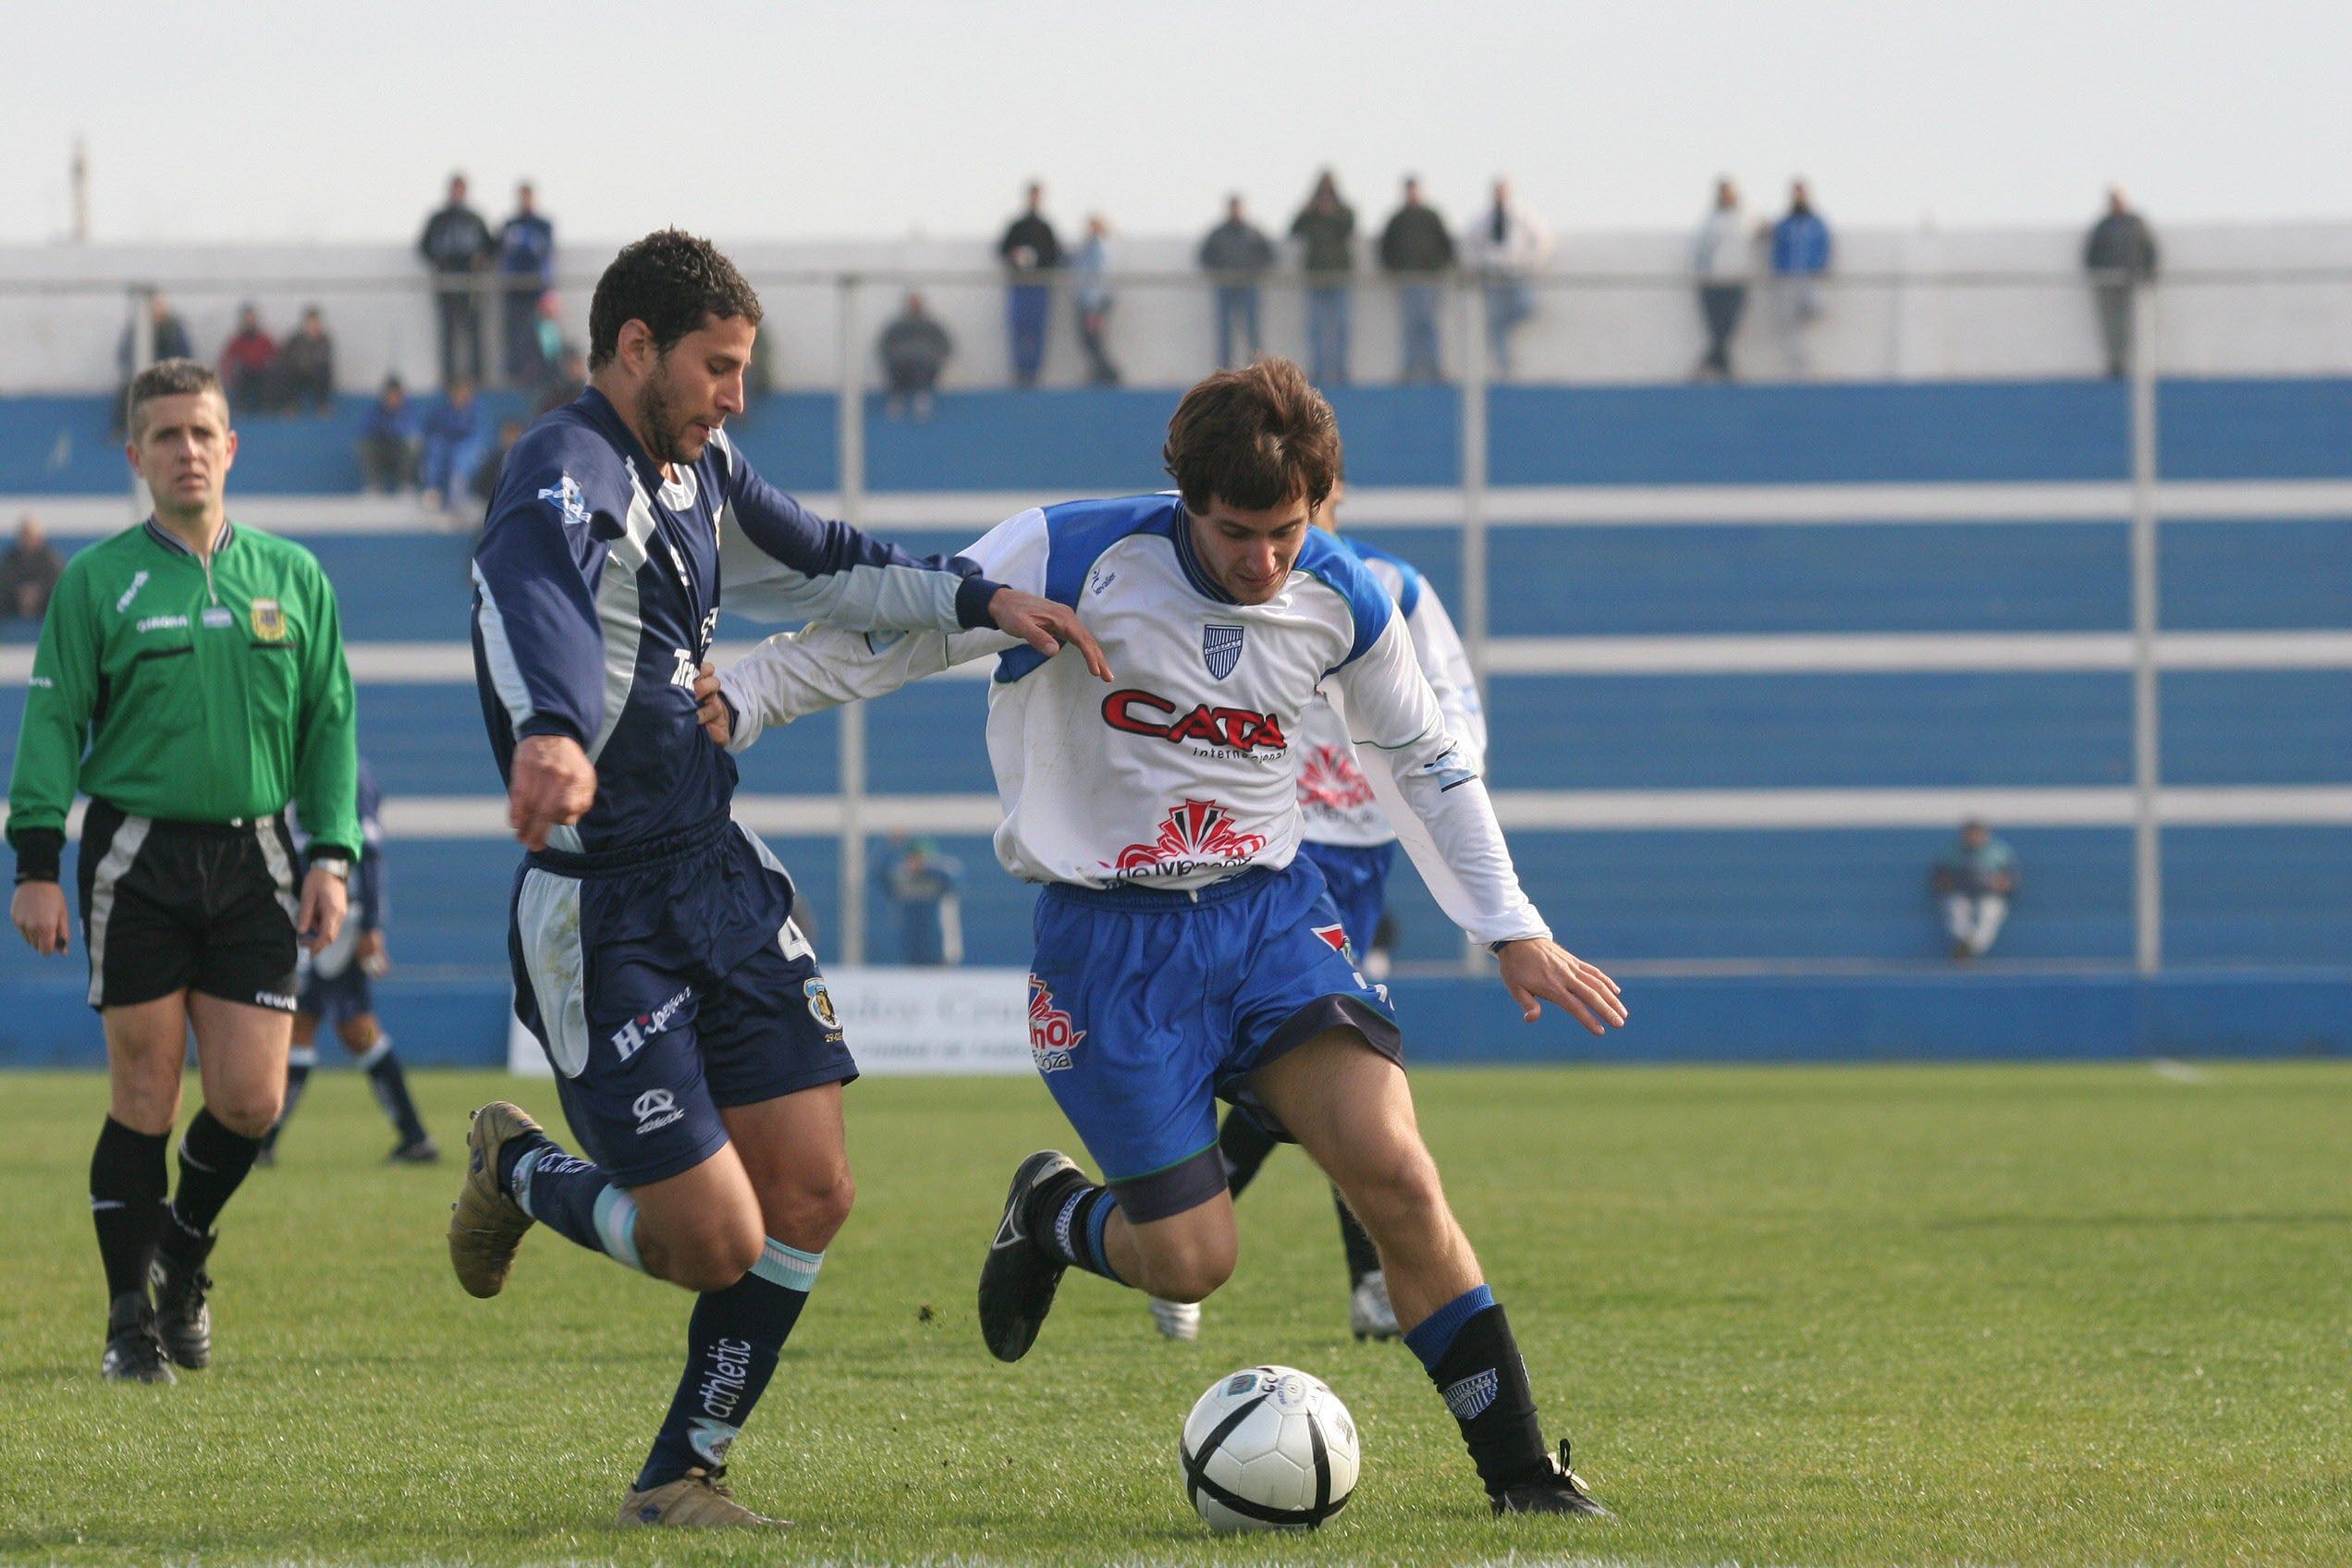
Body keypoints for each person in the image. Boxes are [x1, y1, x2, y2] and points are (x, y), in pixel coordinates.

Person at [703, 358, 1625, 1518]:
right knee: (1194, 1260)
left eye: (1286, 531)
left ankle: (1523, 1475)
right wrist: (748, 696)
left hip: (1268, 919)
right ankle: (1051, 1213)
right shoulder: (1072, 556)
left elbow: (1427, 760)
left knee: (1395, 1170)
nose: (1263, 561)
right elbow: (901, 627)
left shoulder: (1342, 595)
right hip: (1108, 949)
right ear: (1185, 497)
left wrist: (1511, 929)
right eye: (1238, 532)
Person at [446, 228, 1104, 1530]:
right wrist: (553, 735)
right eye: (718, 366)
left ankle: (681, 1476)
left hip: (716, 872)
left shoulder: (701, 471)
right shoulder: (564, 471)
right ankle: (520, 1174)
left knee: (811, 1192)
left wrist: (983, 606)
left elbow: (830, 560)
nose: (735, 393)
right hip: (600, 904)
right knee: (713, 1242)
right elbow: (538, 603)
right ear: (635, 348)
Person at [6, 358, 358, 1385]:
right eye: (166, 436)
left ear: (231, 447)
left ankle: (185, 1258)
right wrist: (36, 860)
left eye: (203, 432)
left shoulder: (294, 579)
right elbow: (52, 722)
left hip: (255, 853)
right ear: (136, 456)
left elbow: (330, 727)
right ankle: (128, 1324)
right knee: (146, 1092)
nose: (187, 451)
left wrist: (332, 854)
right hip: (137, 853)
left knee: (253, 1100)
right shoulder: (95, 581)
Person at [1145, 471, 1488, 1345]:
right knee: (1335, 1055)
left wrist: (1443, 801)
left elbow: (1455, 709)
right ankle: (1341, 1276)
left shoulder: (1390, 587)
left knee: (1323, 1070)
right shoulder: (1225, 580)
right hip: (1280, 841)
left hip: (1366, 845)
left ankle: (1188, 1232)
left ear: (1328, 495)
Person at [259, 759, 435, 1166]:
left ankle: (264, 1143)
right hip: (314, 919)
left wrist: (371, 924)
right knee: (349, 1028)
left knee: (311, 1023)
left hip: (334, 924)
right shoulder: (302, 768)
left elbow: (368, 853)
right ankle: (414, 1136)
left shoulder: (344, 772)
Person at [1462, 178, 1550, 378]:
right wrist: (1477, 266)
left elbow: (1542, 240)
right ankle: (1504, 367)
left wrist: (1530, 264)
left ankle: (1506, 325)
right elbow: (1469, 245)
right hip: (1493, 277)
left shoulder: (1522, 215)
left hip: (1517, 274)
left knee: (1527, 306)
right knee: (1494, 324)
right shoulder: (1484, 218)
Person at [418, 173, 494, 388]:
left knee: (473, 330)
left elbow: (489, 246)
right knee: (448, 331)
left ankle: (478, 377)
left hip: (471, 284)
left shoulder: (475, 219)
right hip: (447, 283)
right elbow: (423, 246)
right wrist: (438, 261)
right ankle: (449, 378)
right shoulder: (438, 219)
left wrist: (481, 258)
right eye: (455, 189)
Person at [1378, 177, 1455, 383]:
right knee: (1409, 326)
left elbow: (1446, 245)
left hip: (1429, 280)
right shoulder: (1398, 219)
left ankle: (1435, 368)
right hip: (1407, 280)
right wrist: (1395, 268)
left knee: (1429, 324)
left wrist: (1436, 266)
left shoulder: (1431, 216)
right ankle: (1410, 369)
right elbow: (1386, 247)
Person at [1290, 172, 1357, 386]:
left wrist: (1331, 213)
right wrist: (1310, 209)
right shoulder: (1310, 215)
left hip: (1338, 278)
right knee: (1316, 328)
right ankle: (1318, 372)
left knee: (1341, 327)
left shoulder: (1343, 212)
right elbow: (1294, 229)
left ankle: (1340, 371)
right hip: (1316, 279)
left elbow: (1350, 224)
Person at [2084, 189, 2160, 378]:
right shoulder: (2103, 226)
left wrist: (2148, 274)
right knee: (2111, 324)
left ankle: (2133, 361)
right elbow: (2091, 253)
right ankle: (2115, 362)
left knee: (2132, 322)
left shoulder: (2134, 224)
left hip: (2131, 281)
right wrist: (2098, 275)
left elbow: (2149, 249)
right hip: (2108, 283)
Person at [997, 182, 1062, 387]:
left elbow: (1056, 255)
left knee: (1037, 330)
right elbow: (1002, 249)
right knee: (1019, 329)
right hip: (1020, 285)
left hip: (1039, 287)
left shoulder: (1045, 227)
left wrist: (1039, 262)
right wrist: (1015, 255)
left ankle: (1034, 374)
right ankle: (1020, 372)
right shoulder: (1017, 226)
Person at [1198, 195, 1276, 369]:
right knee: (1225, 333)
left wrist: (1255, 272)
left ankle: (1257, 369)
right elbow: (1204, 256)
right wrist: (1219, 272)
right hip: (1225, 286)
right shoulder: (1218, 234)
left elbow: (1269, 255)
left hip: (1249, 286)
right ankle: (1224, 372)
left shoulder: (1253, 233)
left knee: (1253, 332)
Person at [1931, 820, 2019, 962]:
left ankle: (1970, 949)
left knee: (1991, 911)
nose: (1973, 838)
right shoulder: (1953, 853)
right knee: (1955, 907)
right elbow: (1939, 879)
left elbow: (2011, 880)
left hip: (1989, 895)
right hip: (1961, 894)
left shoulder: (1998, 853)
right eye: (1969, 835)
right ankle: (1963, 944)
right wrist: (1950, 883)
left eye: (1977, 835)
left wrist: (2001, 883)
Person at [1769, 180, 1832, 377]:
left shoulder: (1816, 223)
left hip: (1810, 278)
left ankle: (1815, 363)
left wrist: (1819, 268)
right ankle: (1799, 369)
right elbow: (1776, 249)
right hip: (1788, 279)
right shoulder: (1784, 224)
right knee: (1791, 327)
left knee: (1815, 309)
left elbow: (1825, 246)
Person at [498, 182, 558, 386]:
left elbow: (543, 252)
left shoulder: (543, 225)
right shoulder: (509, 224)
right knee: (515, 334)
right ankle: (517, 374)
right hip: (515, 289)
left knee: (540, 333)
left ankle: (542, 373)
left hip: (537, 288)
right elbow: (506, 251)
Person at [1691, 178, 1749, 380]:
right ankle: (1721, 368)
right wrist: (1703, 275)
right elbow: (1701, 250)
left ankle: (1711, 365)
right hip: (1714, 282)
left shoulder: (1744, 220)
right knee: (1718, 329)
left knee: (1727, 328)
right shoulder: (1710, 221)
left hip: (1736, 281)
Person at [113, 293, 195, 435]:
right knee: (128, 392)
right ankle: (122, 431)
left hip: (170, 375)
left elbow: (185, 354)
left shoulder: (174, 330)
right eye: (153, 307)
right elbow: (124, 354)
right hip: (144, 376)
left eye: (159, 305)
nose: (157, 310)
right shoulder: (136, 331)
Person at [876, 835, 962, 966]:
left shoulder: (938, 880)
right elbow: (878, 875)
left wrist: (927, 868)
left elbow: (954, 880)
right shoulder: (902, 880)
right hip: (909, 952)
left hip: (938, 953)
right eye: (912, 858)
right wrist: (890, 846)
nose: (916, 862)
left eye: (920, 857)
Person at [419, 376, 489, 514]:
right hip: (446, 450)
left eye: (465, 393)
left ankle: (457, 492)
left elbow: (480, 437)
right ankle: (432, 491)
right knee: (436, 447)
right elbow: (431, 432)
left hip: (468, 453)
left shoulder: (478, 412)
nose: (461, 397)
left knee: (463, 454)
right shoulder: (442, 411)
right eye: (457, 393)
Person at [878, 292, 953, 421]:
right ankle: (897, 398)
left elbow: (945, 344)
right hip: (900, 361)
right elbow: (884, 344)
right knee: (897, 364)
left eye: (916, 303)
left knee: (920, 363)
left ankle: (922, 399)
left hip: (925, 362)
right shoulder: (897, 325)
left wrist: (936, 356)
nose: (913, 306)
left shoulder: (931, 325)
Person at [1072, 215, 1121, 386]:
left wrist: (1095, 310)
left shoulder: (1101, 250)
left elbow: (1098, 280)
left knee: (1093, 340)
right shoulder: (1087, 248)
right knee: (1088, 340)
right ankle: (1099, 372)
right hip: (1086, 302)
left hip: (1095, 303)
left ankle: (1108, 374)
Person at [357, 376, 419, 493]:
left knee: (413, 443)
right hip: (381, 448)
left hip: (400, 450)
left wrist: (391, 427)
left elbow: (410, 430)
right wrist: (383, 430)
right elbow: (364, 429)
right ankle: (374, 485)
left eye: (396, 395)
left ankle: (406, 484)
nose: (393, 399)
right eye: (389, 395)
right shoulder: (375, 409)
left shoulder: (408, 408)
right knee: (363, 445)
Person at [1, 513, 65, 620]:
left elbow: (58, 583)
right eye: (25, 535)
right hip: (13, 606)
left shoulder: (51, 560)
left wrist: (38, 594)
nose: (28, 539)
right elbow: (4, 582)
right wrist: (20, 594)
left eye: (31, 535)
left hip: (44, 608)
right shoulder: (10, 559)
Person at [218, 304, 278, 414]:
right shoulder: (236, 341)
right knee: (241, 375)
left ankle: (266, 408)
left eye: (252, 319)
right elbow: (227, 358)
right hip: (244, 373)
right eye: (247, 320)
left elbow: (276, 357)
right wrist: (228, 373)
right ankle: (241, 408)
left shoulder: (265, 340)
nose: (250, 322)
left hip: (261, 372)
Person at [276, 306, 336, 416]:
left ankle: (322, 405)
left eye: (315, 322)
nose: (313, 326)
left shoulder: (325, 340)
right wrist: (302, 364)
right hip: (299, 373)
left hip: (316, 373)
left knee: (324, 370)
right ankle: (292, 405)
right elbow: (288, 355)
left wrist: (307, 364)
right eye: (310, 323)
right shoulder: (295, 339)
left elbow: (322, 358)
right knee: (287, 370)